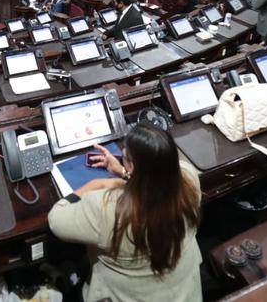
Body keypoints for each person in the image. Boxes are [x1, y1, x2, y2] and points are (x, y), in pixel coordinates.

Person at [48, 125, 201, 302]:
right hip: (185, 292)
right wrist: (124, 172)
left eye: (125, 157)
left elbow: (56, 219)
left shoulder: (106, 208)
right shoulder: (189, 180)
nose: (121, 154)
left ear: (133, 166)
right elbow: (159, 173)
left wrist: (97, 184)